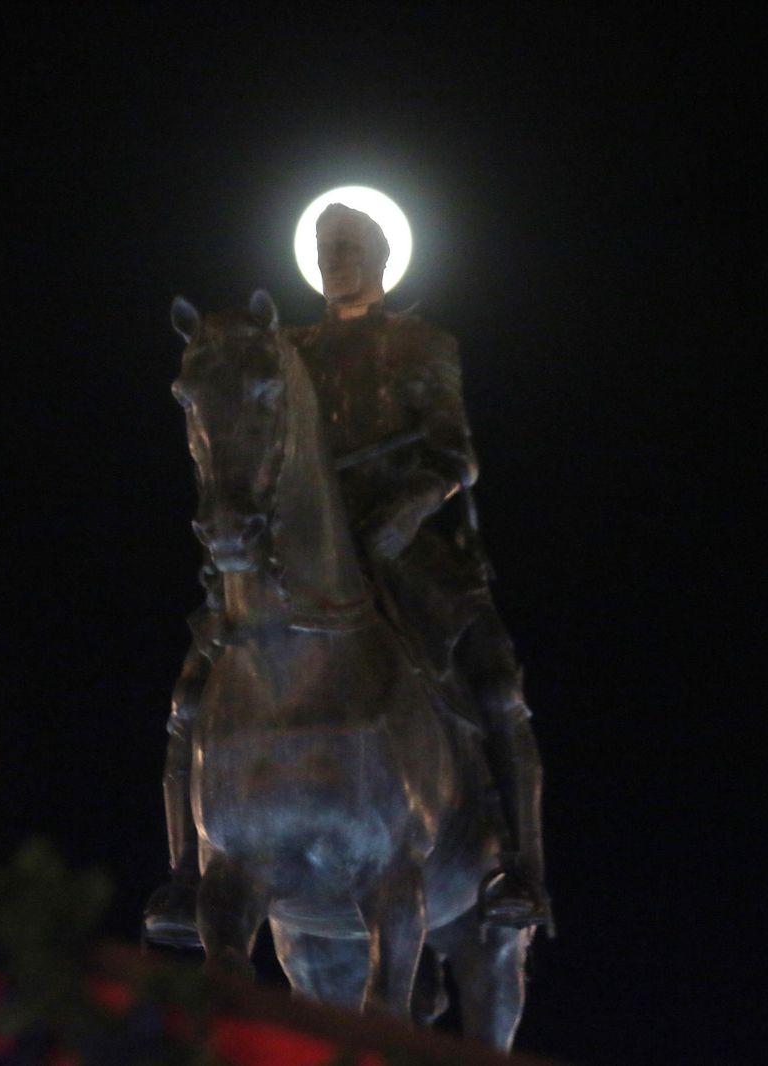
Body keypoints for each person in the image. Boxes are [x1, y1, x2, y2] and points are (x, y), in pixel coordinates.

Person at [144, 204, 551, 946]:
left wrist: (407, 507)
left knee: (496, 680)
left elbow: (456, 453)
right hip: (294, 544)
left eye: (352, 246)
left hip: (400, 539)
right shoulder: (284, 347)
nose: (339, 259)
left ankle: (511, 863)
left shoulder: (419, 342)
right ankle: (186, 873)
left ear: (381, 256)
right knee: (190, 691)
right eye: (329, 248)